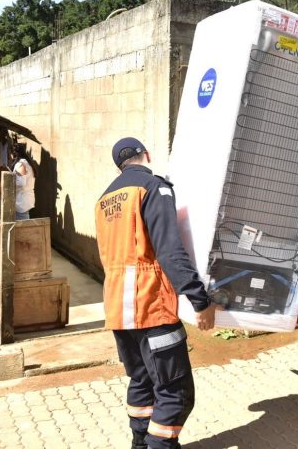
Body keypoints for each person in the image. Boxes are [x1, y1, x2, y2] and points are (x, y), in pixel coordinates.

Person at [94, 137, 218, 449]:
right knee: (175, 390)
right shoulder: (153, 187)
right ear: (146, 155)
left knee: (142, 381)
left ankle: (140, 444)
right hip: (150, 305)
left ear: (119, 166)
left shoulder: (104, 200)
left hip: (118, 309)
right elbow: (169, 250)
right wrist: (199, 299)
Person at [12, 143, 36, 220]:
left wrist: (10, 182)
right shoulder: (27, 162)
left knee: (23, 227)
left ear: (14, 153)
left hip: (22, 201)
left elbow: (21, 183)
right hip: (25, 199)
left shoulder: (20, 164)